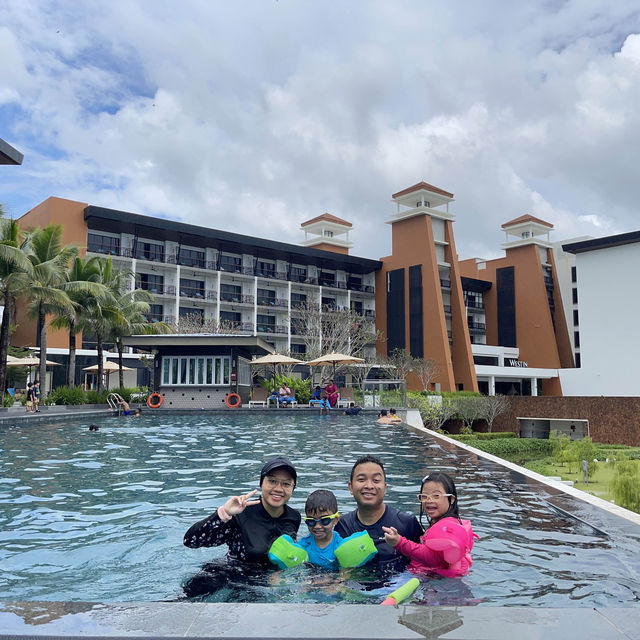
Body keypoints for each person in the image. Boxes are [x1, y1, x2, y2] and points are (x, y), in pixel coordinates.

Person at [183, 456, 301, 564]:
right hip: (231, 576)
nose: (279, 489)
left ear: (293, 488)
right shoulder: (241, 514)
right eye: (272, 481)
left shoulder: (294, 517)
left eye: (286, 484)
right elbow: (190, 541)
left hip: (266, 582)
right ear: (261, 484)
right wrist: (224, 514)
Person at [335, 454, 422, 573]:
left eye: (376, 480)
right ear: (350, 487)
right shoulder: (343, 525)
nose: (369, 486)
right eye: (361, 480)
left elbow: (425, 563)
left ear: (385, 487)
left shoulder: (406, 523)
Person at [383, 472, 478, 577]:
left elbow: (432, 558)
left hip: (438, 583)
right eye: (424, 496)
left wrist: (399, 542)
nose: (429, 500)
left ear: (451, 499)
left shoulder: (448, 527)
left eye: (436, 496)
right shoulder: (442, 523)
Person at [297, 489, 343, 569]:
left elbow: (345, 574)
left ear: (336, 520)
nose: (317, 526)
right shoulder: (303, 545)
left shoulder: (340, 546)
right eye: (311, 521)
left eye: (324, 520)